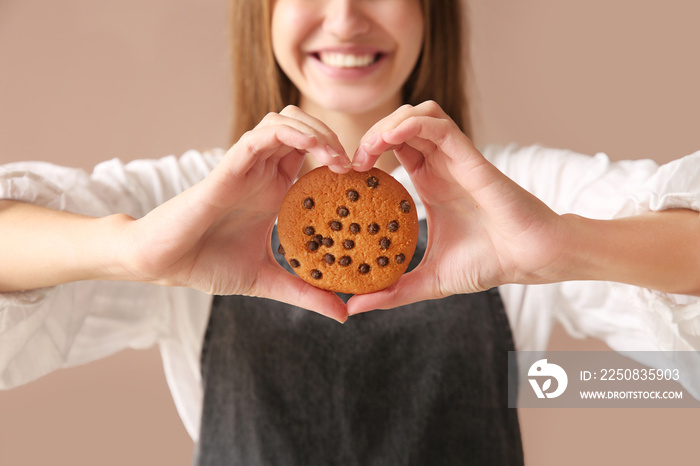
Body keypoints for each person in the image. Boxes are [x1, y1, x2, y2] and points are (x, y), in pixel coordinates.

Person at [1, 0, 699, 464]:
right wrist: (129, 248)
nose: (345, 17)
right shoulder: (188, 203)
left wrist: (568, 247)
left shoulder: (521, 194)